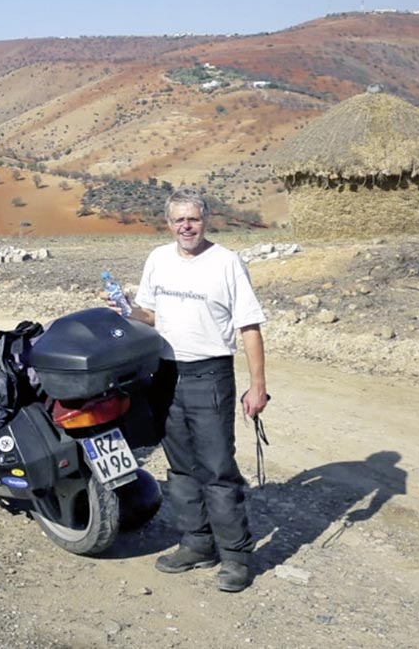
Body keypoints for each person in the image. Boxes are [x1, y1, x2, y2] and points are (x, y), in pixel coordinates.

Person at [107, 186, 268, 593]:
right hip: (165, 374)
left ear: (206, 220)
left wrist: (258, 385)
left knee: (217, 469)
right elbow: (150, 315)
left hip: (210, 375)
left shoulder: (227, 262)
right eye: (178, 219)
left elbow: (249, 326)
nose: (185, 226)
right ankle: (197, 543)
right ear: (168, 223)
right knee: (180, 467)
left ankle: (235, 557)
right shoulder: (158, 259)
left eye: (192, 219)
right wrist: (128, 311)